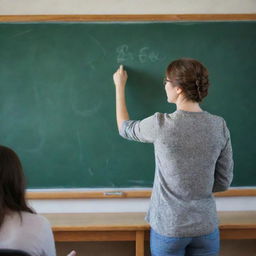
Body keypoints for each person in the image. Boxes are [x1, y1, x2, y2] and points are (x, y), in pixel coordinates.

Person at [113, 58, 234, 256]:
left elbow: (124, 129)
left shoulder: (161, 124)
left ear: (178, 89)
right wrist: (196, 188)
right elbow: (223, 181)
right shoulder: (218, 126)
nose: (164, 85)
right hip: (205, 226)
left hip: (170, 227)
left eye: (166, 81)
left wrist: (119, 86)